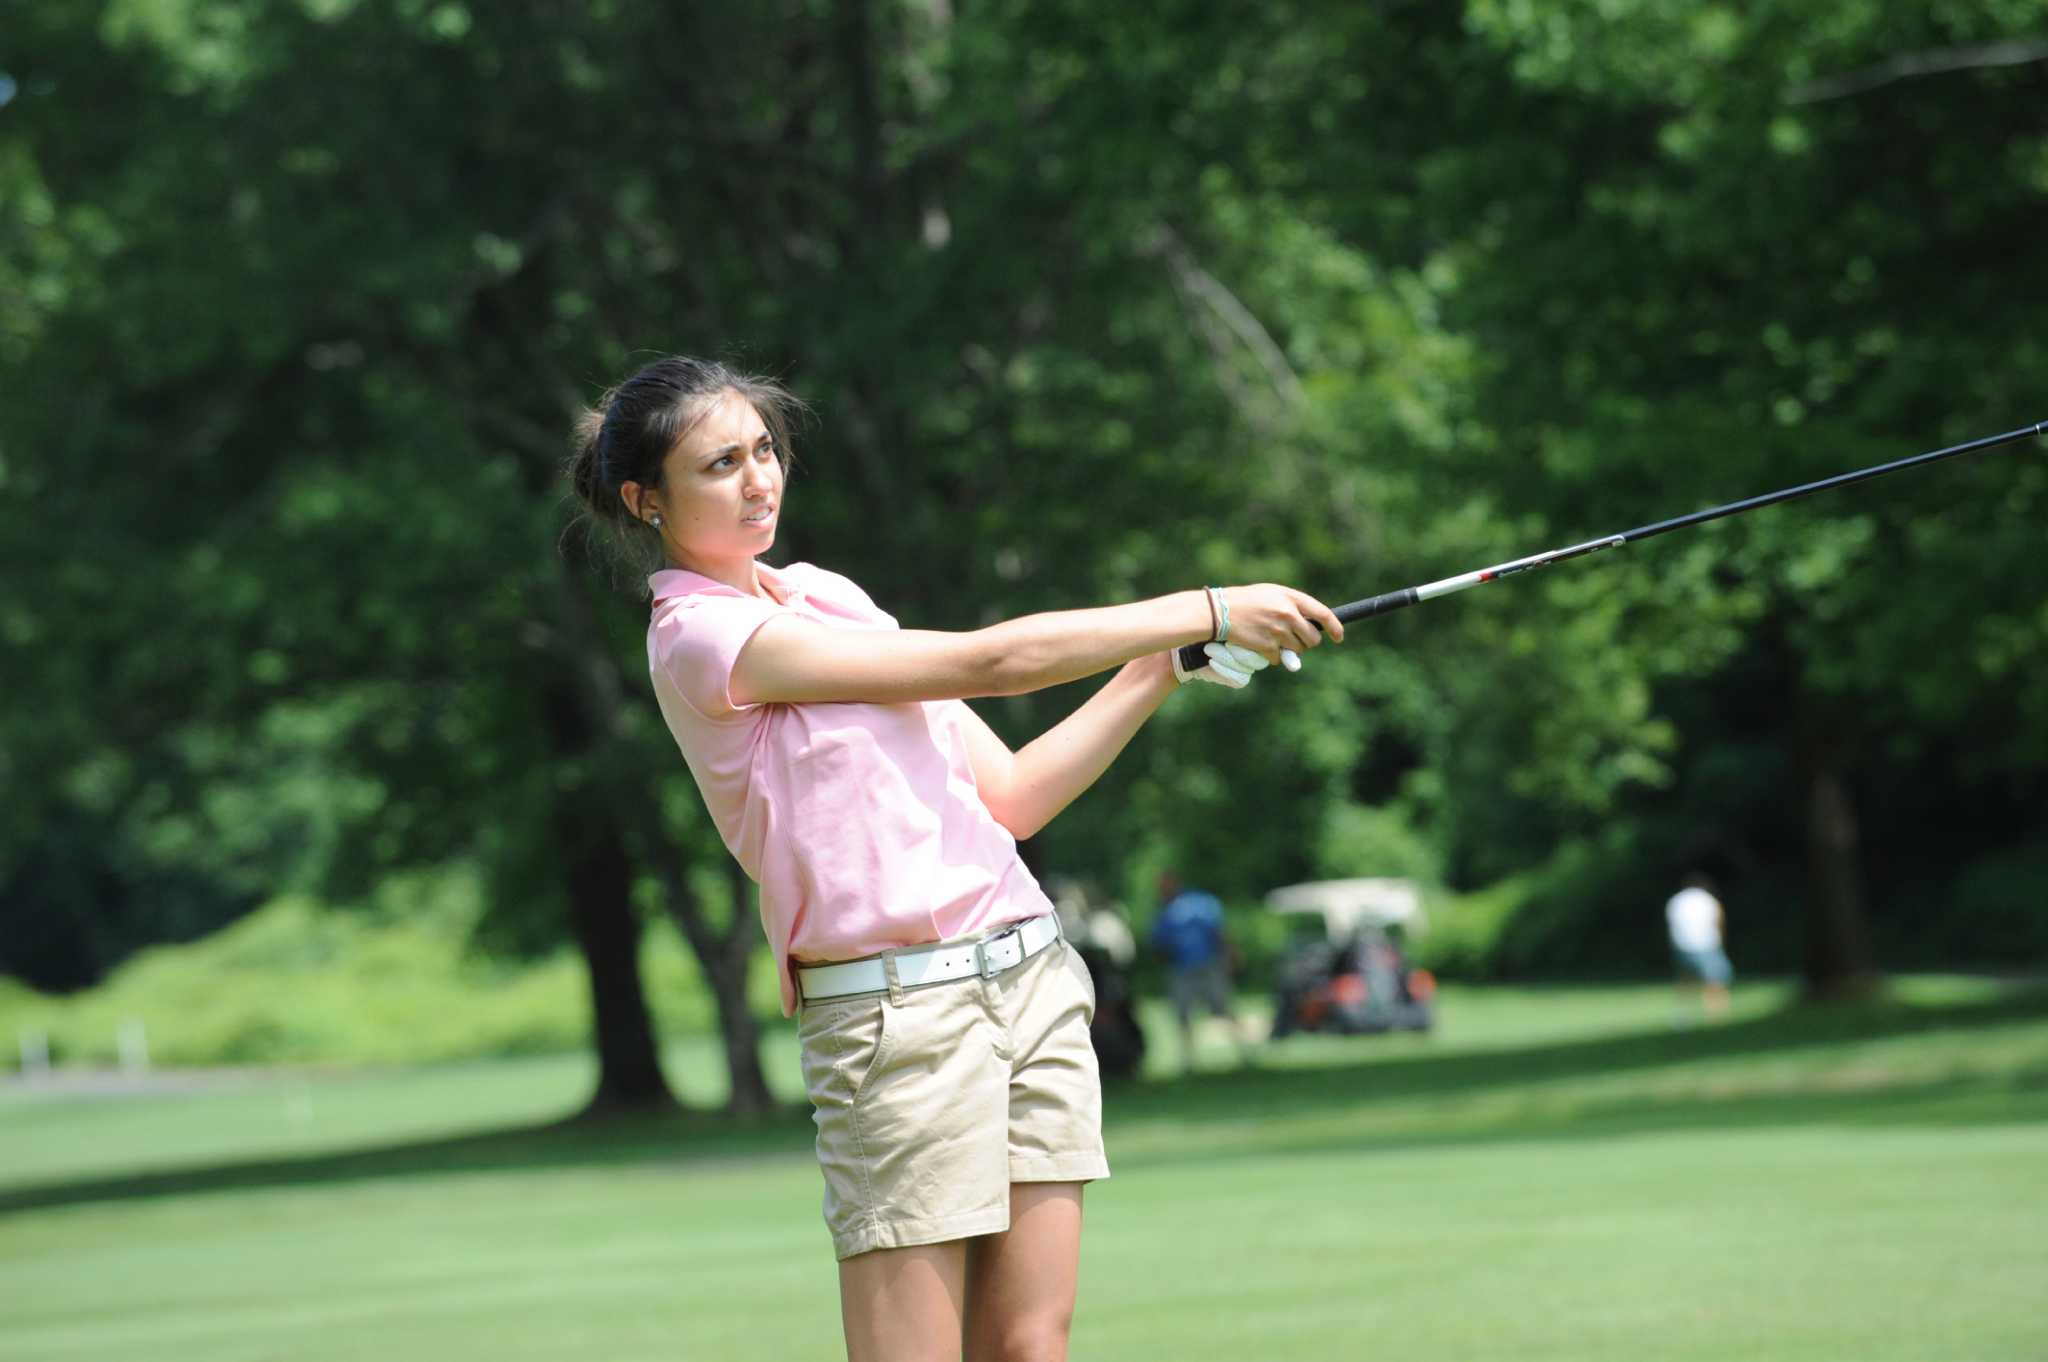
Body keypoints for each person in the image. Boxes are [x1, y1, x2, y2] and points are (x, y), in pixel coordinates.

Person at [564, 355, 1342, 1362]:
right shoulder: (702, 640)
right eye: (719, 465)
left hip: (1026, 977)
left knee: (1029, 1348)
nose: (758, 479)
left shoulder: (825, 599)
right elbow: (992, 660)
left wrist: (1152, 671)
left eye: (765, 450)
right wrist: (1206, 605)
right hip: (893, 1023)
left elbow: (1009, 797)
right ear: (645, 500)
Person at [1150, 872, 1254, 1071]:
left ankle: (1245, 1051)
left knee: (1224, 1008)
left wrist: (1231, 956)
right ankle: (1188, 1058)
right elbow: (1159, 945)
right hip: (1181, 969)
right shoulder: (1163, 913)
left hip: (1209, 965)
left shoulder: (1200, 903)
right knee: (1182, 1014)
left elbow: (1220, 933)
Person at [1666, 871, 1733, 1024]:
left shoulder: (1675, 901)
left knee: (1686, 981)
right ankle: (1716, 1017)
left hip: (1681, 947)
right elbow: (1719, 921)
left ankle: (1682, 1016)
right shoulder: (1708, 900)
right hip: (1706, 945)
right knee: (1715, 982)